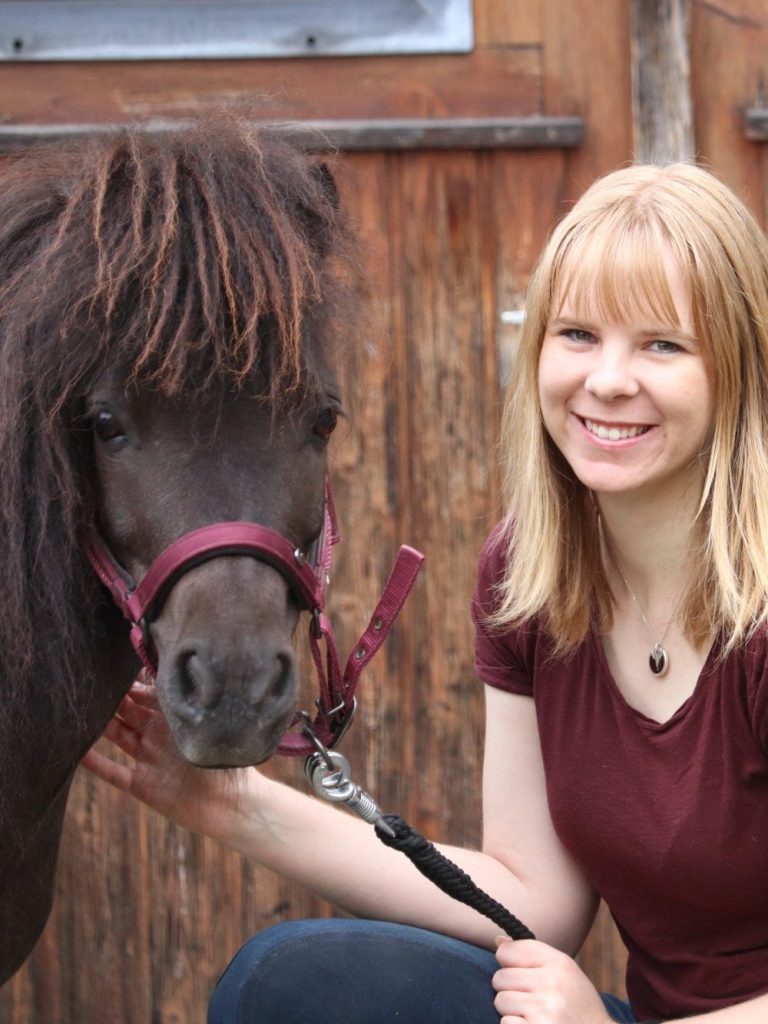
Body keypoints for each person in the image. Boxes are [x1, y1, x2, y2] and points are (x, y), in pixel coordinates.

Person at [83, 161, 768, 1024]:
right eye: (579, 335)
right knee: (286, 985)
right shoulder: (531, 578)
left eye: (662, 344)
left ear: (738, 366)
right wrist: (231, 805)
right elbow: (535, 900)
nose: (608, 380)